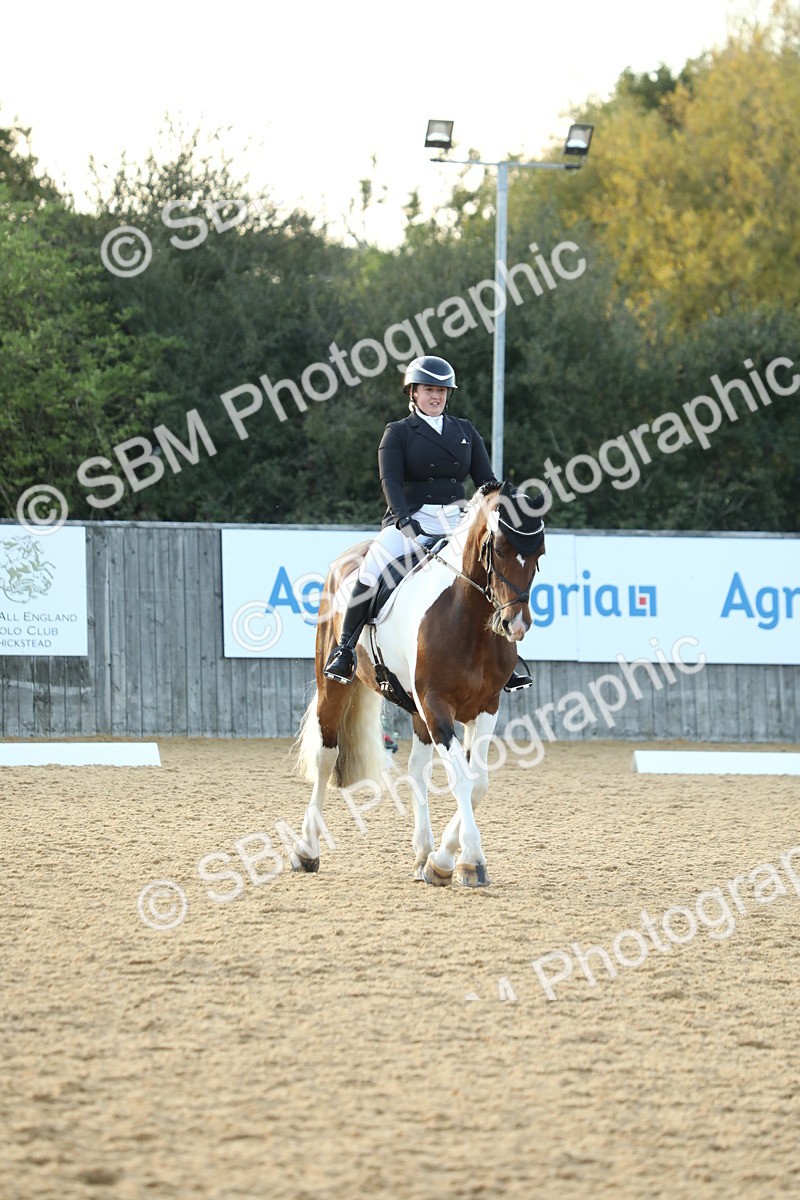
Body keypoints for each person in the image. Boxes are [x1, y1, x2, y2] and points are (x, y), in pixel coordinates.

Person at [323, 355, 534, 691]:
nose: (436, 396)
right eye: (428, 390)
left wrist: (511, 500)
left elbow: (487, 483)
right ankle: (345, 650)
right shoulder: (398, 432)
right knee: (370, 572)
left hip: (457, 521)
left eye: (441, 390)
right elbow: (389, 481)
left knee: (491, 574)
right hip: (409, 520)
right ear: (413, 393)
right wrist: (404, 518)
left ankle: (507, 660)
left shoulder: (464, 430)